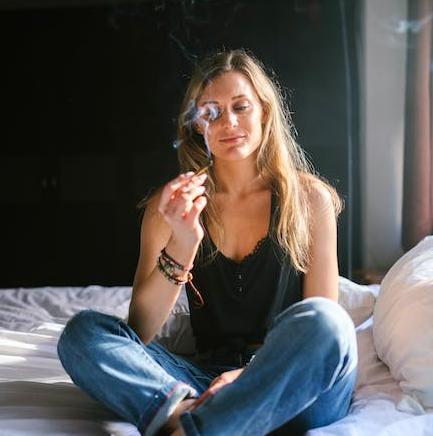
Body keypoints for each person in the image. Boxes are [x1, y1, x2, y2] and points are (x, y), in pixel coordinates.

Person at [57, 48, 357, 436]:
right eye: (212, 112)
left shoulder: (310, 200)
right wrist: (183, 243)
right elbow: (141, 329)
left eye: (241, 107)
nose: (228, 122)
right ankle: (201, 420)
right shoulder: (170, 208)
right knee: (83, 333)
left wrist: (246, 378)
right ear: (198, 125)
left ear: (264, 112)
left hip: (291, 387)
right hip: (204, 382)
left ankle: (189, 427)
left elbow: (318, 319)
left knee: (329, 324)